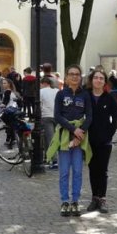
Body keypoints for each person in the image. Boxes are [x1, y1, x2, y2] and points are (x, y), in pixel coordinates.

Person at [47, 64, 92, 217]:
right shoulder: (61, 94)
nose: (74, 76)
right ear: (66, 77)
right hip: (64, 137)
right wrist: (74, 130)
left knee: (78, 171)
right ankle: (65, 201)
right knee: (64, 172)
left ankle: (75, 201)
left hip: (80, 138)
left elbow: (89, 116)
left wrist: (81, 132)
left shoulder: (85, 95)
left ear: (80, 77)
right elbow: (57, 116)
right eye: (71, 74)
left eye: (77, 74)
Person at [85, 69, 117, 213]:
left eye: (101, 78)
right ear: (91, 80)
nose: (98, 80)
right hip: (89, 140)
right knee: (92, 169)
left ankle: (102, 199)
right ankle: (95, 198)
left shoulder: (109, 98)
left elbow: (115, 119)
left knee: (103, 170)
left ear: (105, 82)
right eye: (96, 78)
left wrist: (109, 135)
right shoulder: (86, 96)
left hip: (105, 141)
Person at [40, 76, 59, 169]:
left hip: (46, 116)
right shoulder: (57, 91)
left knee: (49, 139)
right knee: (54, 138)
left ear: (43, 83)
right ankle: (48, 157)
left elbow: (39, 105)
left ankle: (54, 161)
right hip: (57, 116)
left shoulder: (41, 91)